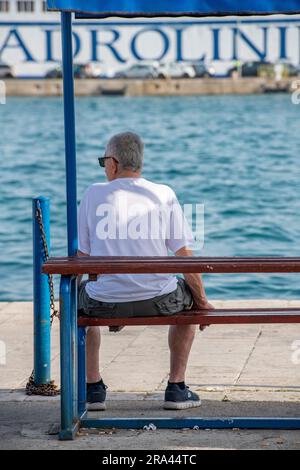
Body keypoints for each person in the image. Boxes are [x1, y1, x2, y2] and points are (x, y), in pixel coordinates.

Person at [77, 131, 213, 411]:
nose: (105, 168)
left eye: (104, 162)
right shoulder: (163, 193)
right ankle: (176, 388)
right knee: (188, 303)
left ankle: (93, 389)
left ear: (113, 163)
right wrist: (202, 302)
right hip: (159, 300)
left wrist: (108, 296)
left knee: (79, 305)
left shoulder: (92, 194)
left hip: (104, 302)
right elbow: (184, 255)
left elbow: (83, 258)